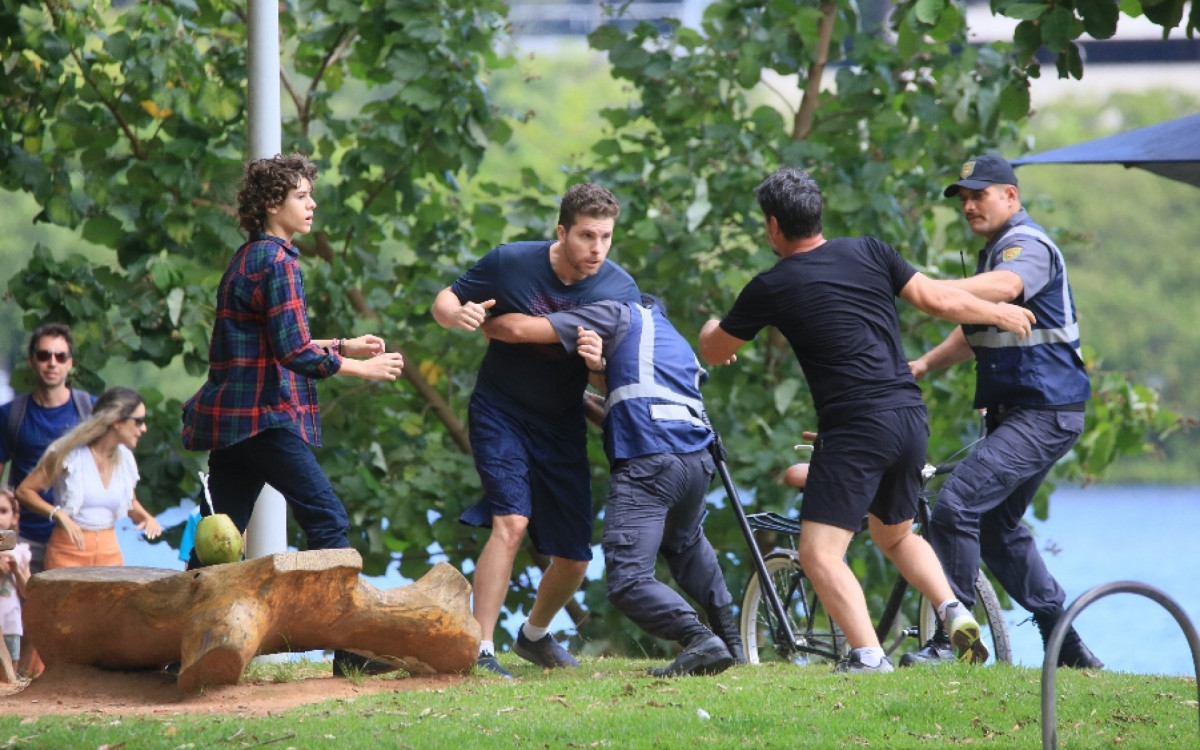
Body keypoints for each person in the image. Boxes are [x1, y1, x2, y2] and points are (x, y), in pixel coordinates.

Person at [697, 166, 1037, 673]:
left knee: (818, 553)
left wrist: (709, 329)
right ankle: (953, 610)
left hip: (856, 424)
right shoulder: (870, 251)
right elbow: (939, 299)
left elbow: (716, 347)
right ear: (817, 213)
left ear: (773, 226)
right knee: (894, 535)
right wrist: (998, 313)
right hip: (907, 416)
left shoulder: (770, 286)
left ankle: (867, 656)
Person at [180, 153, 405, 677]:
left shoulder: (248, 257)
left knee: (218, 540)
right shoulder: (278, 262)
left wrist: (343, 342)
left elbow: (275, 341)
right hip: (263, 419)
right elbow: (292, 353)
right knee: (328, 520)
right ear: (271, 204)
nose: (312, 204)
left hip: (235, 419)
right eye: (302, 195)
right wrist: (357, 367)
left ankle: (175, 649)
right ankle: (348, 650)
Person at [431, 183, 640, 678]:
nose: (597, 248)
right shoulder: (510, 262)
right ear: (561, 231)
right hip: (500, 410)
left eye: (606, 237)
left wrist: (597, 365)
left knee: (573, 558)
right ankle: (480, 649)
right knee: (512, 523)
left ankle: (534, 636)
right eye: (587, 235)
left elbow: (615, 379)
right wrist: (454, 314)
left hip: (563, 422)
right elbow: (444, 300)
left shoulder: (619, 290)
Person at [903, 155, 1103, 670]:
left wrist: (928, 288)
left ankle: (953, 643)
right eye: (963, 199)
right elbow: (980, 328)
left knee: (957, 505)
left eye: (979, 195)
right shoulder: (995, 251)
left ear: (1010, 197)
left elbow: (1006, 289)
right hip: (1029, 415)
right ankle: (1070, 649)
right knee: (996, 528)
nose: (969, 205)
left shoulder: (1025, 246)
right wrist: (924, 364)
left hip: (1042, 413)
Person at [482, 295, 743, 677]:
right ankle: (731, 644)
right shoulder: (668, 340)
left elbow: (519, 329)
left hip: (651, 464)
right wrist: (582, 395)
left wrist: (487, 325)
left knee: (627, 580)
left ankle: (698, 640)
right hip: (697, 462)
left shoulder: (617, 311)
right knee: (684, 544)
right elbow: (628, 410)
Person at [0, 322, 95, 676]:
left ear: (71, 362)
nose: (52, 363)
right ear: (31, 361)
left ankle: (69, 682)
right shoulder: (11, 416)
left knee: (72, 617)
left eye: (60, 356)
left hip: (73, 538)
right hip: (23, 535)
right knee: (20, 617)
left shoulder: (89, 411)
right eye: (44, 355)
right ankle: (21, 685)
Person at [15, 386, 162, 569]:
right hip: (68, 552)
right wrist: (58, 513)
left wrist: (146, 518)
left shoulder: (125, 458)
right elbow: (24, 492)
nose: (144, 428)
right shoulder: (69, 454)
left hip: (110, 554)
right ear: (117, 421)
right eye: (138, 421)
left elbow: (129, 502)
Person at [0, 488, 31, 667]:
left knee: (10, 675)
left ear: (15, 518)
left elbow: (28, 593)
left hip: (10, 623)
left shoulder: (20, 552)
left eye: (3, 511)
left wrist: (17, 571)